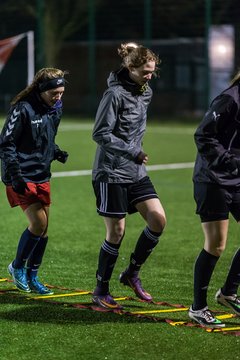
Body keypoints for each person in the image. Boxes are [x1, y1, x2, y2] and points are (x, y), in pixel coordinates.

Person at [91, 42, 166, 309]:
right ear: (130, 68)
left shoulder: (145, 92)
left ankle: (131, 273)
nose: (149, 76)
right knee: (116, 232)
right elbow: (100, 133)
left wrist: (135, 157)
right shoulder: (113, 95)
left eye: (152, 72)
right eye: (145, 71)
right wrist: (131, 151)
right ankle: (100, 290)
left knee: (158, 219)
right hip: (110, 171)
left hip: (136, 172)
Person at [0, 67, 68, 295]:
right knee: (38, 224)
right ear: (41, 90)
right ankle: (17, 267)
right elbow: (6, 143)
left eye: (61, 92)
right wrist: (15, 175)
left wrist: (55, 151)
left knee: (44, 229)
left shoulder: (55, 108)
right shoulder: (23, 109)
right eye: (54, 93)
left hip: (41, 173)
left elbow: (46, 137)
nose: (58, 97)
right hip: (20, 175)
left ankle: (33, 274)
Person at [189, 71, 240, 328]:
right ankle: (198, 308)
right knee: (216, 245)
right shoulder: (230, 99)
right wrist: (230, 161)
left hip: (236, 179)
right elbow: (203, 135)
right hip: (212, 180)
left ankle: (228, 294)